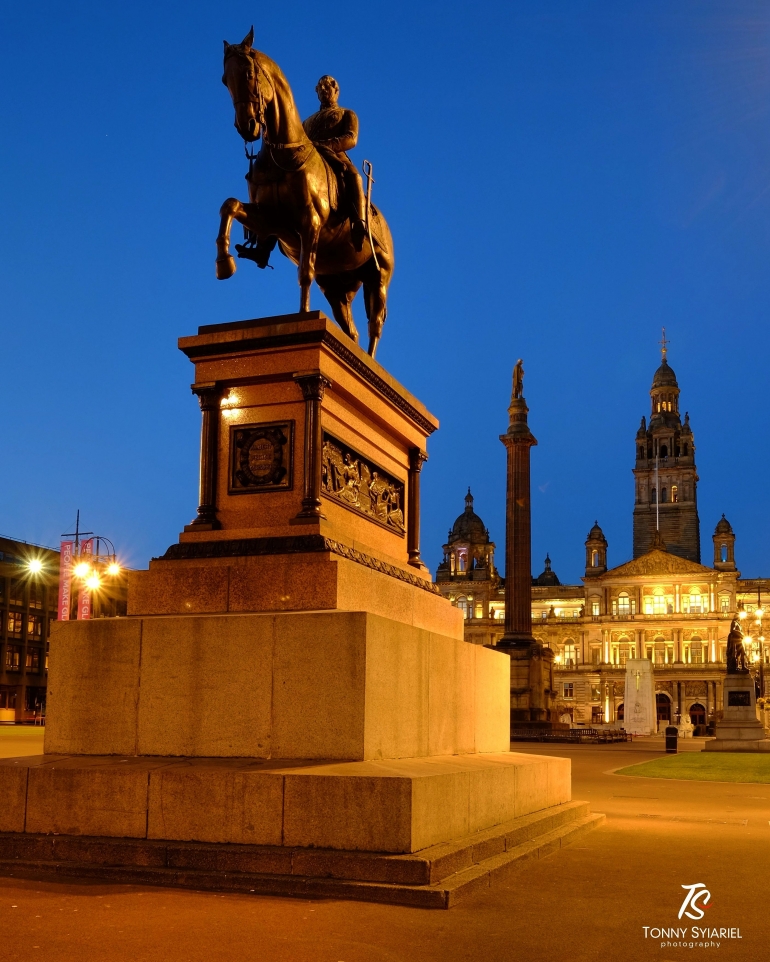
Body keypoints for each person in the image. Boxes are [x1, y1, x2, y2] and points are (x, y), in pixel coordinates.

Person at [303, 75, 367, 250]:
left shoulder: (347, 114)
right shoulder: (306, 122)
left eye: (327, 88)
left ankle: (358, 223)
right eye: (320, 88)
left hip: (336, 156)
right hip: (309, 159)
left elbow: (351, 139)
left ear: (336, 90)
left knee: (354, 177)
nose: (324, 91)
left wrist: (325, 145)